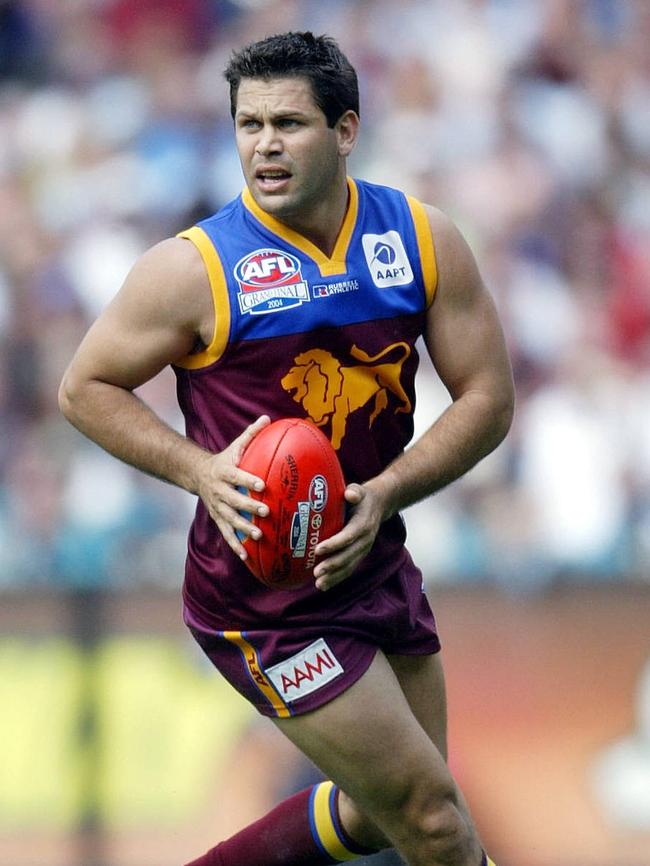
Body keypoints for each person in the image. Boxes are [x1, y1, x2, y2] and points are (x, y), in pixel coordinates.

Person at [59, 31, 514, 866]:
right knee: (436, 818)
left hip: (372, 553)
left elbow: (489, 398)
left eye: (289, 124)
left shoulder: (420, 238)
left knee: (385, 815)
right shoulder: (193, 269)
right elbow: (83, 387)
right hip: (262, 596)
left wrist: (389, 490)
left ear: (345, 130)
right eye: (248, 124)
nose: (264, 144)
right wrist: (201, 471)